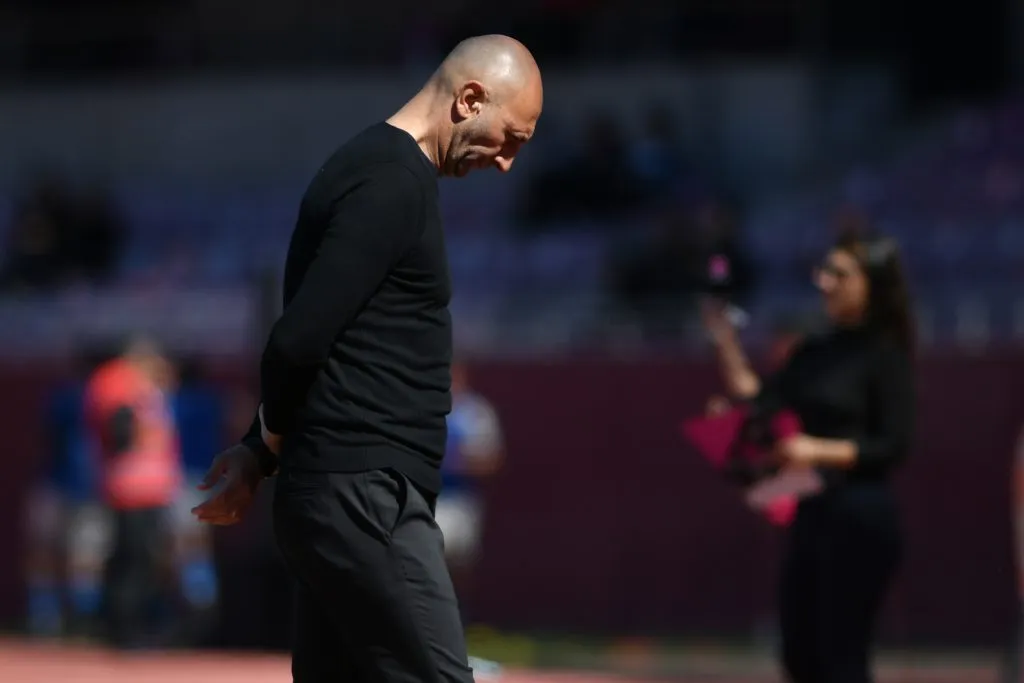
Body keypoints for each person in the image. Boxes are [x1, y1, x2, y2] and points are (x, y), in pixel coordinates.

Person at [192, 34, 542, 683]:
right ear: (470, 99)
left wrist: (258, 449)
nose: (507, 163)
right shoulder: (390, 180)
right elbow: (298, 338)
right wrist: (261, 449)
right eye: (511, 138)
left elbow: (319, 341)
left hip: (341, 497)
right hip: (364, 498)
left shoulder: (374, 172)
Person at [704, 231, 915, 683]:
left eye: (839, 274)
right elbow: (761, 399)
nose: (825, 282)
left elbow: (894, 444)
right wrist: (724, 342)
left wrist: (817, 448)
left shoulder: (885, 354)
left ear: (871, 284)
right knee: (800, 655)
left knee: (843, 657)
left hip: (861, 515)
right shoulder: (815, 351)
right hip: (812, 510)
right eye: (824, 272)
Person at [84, 337, 183, 649]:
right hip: (131, 487)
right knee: (132, 559)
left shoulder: (143, 387)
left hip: (149, 488)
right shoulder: (119, 381)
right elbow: (117, 428)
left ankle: (129, 626)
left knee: (141, 559)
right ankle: (123, 630)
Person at [437, 360, 504, 615]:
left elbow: (492, 460)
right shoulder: (424, 409)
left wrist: (456, 459)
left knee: (456, 565)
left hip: (460, 501)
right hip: (422, 498)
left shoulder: (475, 413)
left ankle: (459, 620)